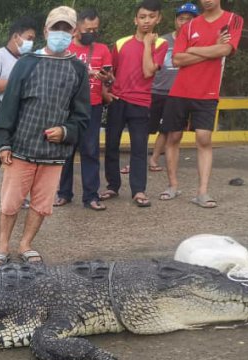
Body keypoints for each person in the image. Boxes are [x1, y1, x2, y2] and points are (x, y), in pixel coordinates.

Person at [0, 6, 90, 266]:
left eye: (65, 29)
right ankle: (2, 245)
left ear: (74, 32)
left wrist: (66, 131)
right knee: (10, 202)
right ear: (46, 31)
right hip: (21, 147)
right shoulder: (27, 63)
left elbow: (81, 115)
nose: (60, 33)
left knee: (42, 204)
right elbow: (10, 105)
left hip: (54, 154)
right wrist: (3, 142)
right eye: (55, 28)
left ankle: (26, 244)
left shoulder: (78, 69)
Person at [159, 0, 243, 208]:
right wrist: (211, 47)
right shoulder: (189, 26)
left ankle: (202, 192)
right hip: (179, 90)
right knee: (173, 136)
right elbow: (177, 59)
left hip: (208, 90)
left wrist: (196, 50)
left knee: (203, 138)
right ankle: (173, 185)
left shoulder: (233, 20)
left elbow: (225, 50)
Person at [100, 0, 167, 208]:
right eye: (142, 17)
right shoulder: (121, 43)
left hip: (141, 102)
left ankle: (138, 190)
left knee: (139, 148)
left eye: (151, 16)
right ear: (135, 19)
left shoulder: (161, 44)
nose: (147, 21)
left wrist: (147, 44)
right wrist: (107, 91)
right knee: (111, 145)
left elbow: (148, 71)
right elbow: (112, 73)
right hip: (118, 100)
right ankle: (113, 186)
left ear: (159, 18)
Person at [53, 8, 113, 211]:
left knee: (90, 150)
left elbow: (110, 79)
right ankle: (63, 193)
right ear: (77, 27)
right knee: (66, 150)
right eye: (88, 29)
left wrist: (106, 79)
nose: (92, 33)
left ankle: (91, 196)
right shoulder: (64, 47)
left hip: (92, 106)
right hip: (66, 107)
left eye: (95, 29)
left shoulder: (103, 50)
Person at [0, 17, 37, 214]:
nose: (31, 43)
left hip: (21, 119)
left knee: (19, 160)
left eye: (33, 39)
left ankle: (18, 198)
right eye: (29, 38)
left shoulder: (28, 60)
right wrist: (15, 83)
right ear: (15, 36)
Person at [148, 3, 199, 172]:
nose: (184, 22)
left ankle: (154, 160)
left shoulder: (198, 44)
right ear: (175, 20)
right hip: (155, 90)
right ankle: (136, 161)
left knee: (167, 129)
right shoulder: (162, 40)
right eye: (181, 18)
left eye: (189, 19)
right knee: (145, 128)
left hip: (178, 93)